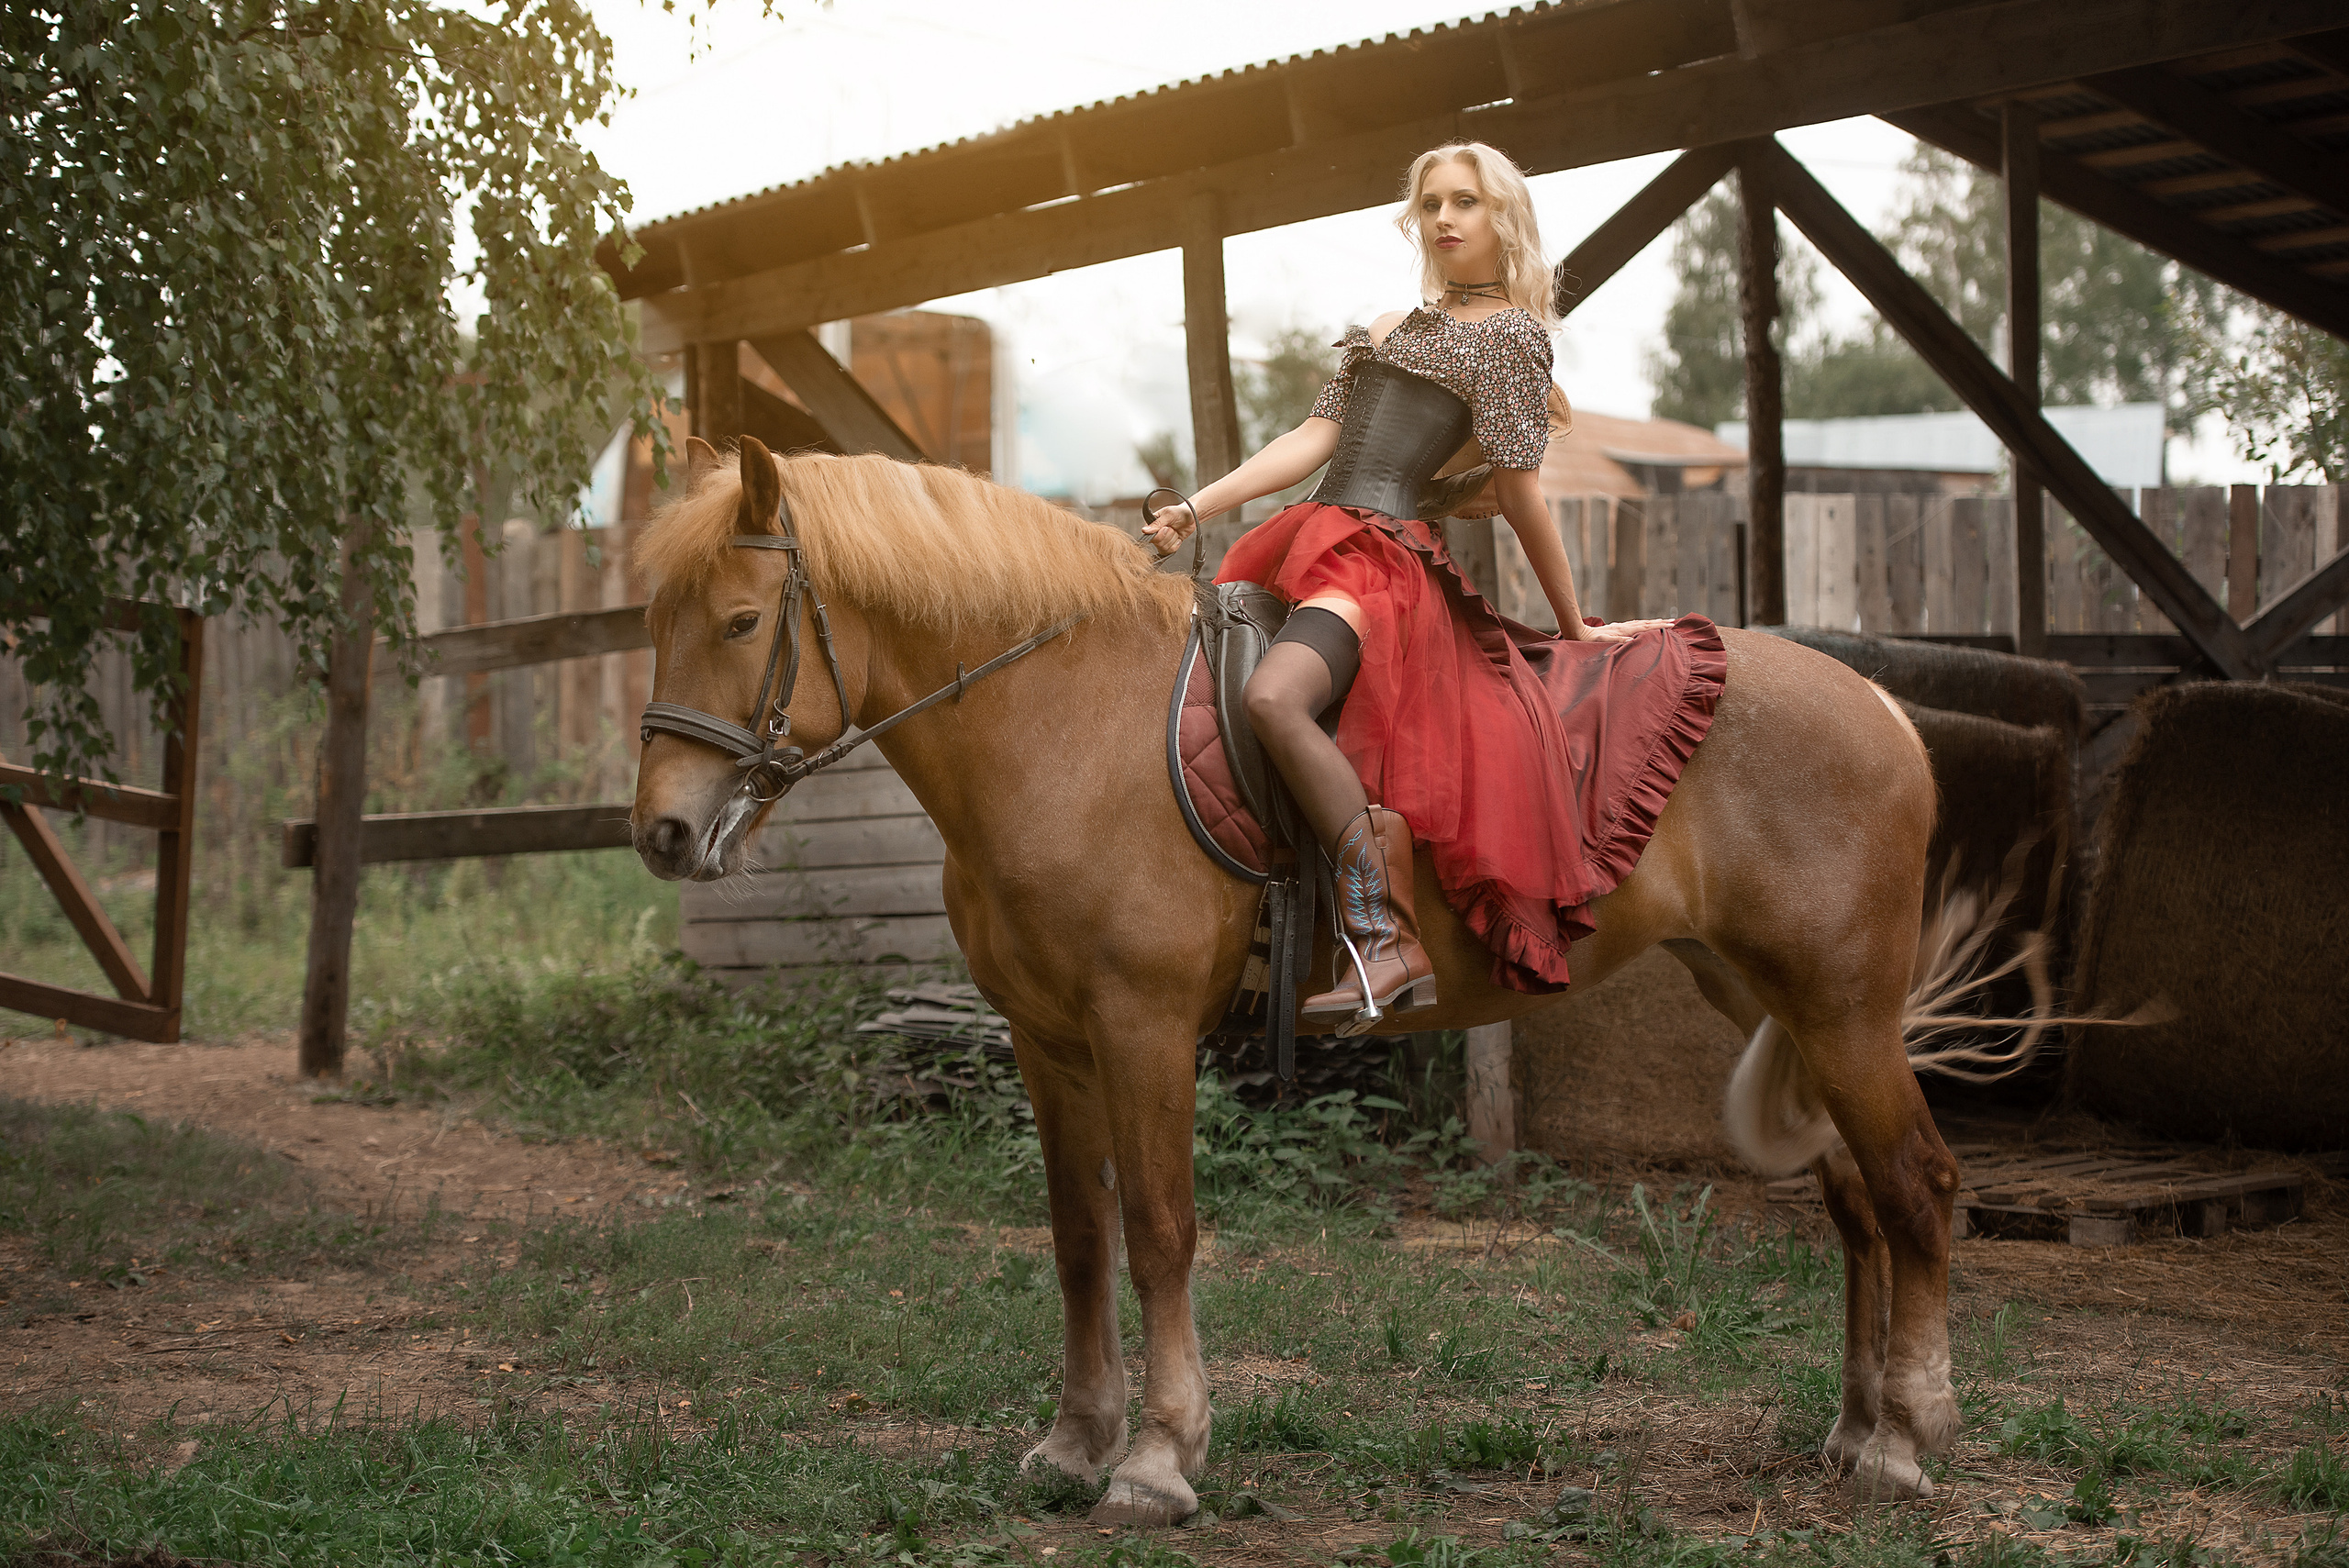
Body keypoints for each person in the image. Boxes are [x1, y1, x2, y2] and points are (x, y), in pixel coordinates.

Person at [1142, 140, 1649, 1030]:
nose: (1445, 219)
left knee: (1272, 696)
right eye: (1431, 203)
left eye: (1466, 202)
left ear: (1503, 219)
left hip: (1379, 564)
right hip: (1315, 534)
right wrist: (1196, 502)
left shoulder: (1511, 342)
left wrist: (1573, 626)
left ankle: (1385, 937)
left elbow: (1523, 495)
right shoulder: (1384, 327)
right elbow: (1310, 440)